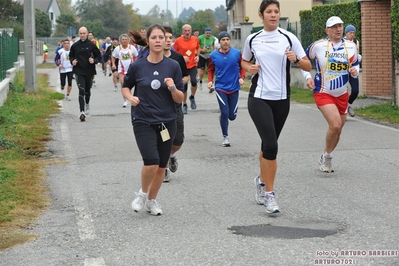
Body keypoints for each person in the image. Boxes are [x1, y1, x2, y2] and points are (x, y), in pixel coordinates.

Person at [241, 0, 312, 214]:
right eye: (269, 12)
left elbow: (308, 64)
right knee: (271, 145)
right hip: (259, 97)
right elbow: (243, 62)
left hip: (282, 99)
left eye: (276, 11)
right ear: (261, 15)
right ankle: (270, 195)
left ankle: (261, 181)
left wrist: (297, 60)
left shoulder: (289, 37)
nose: (273, 15)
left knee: (267, 144)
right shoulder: (253, 38)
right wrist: (250, 68)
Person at [122, 24, 184, 216]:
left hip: (167, 121)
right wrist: (130, 97)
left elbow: (180, 98)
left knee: (161, 167)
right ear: (147, 41)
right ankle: (141, 194)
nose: (158, 41)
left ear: (166, 41)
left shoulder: (173, 66)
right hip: (143, 120)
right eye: (154, 37)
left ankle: (151, 201)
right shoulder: (138, 66)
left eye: (161, 37)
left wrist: (173, 88)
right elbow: (126, 87)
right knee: (151, 161)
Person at [302, 16, 359, 173]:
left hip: (342, 94)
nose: (338, 29)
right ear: (327, 30)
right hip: (323, 92)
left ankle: (326, 154)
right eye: (334, 27)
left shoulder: (351, 46)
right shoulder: (318, 46)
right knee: (335, 125)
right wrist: (307, 77)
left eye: (340, 26)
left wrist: (355, 71)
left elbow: (355, 63)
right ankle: (328, 159)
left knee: (338, 130)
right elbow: (303, 60)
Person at [207, 31, 246, 147]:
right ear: (219, 42)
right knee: (224, 112)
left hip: (234, 87)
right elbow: (210, 69)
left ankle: (226, 116)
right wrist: (210, 81)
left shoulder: (237, 53)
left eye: (227, 39)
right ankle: (225, 137)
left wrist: (241, 77)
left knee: (232, 116)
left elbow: (243, 66)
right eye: (223, 40)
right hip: (221, 88)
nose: (225, 42)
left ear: (230, 41)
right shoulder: (213, 55)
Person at [162, 25, 190, 182]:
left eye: (169, 38)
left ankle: (172, 155)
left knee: (178, 140)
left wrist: (176, 83)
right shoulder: (153, 57)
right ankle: (164, 168)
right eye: (164, 37)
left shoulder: (177, 58)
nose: (167, 40)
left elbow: (186, 77)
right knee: (164, 138)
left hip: (176, 102)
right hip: (160, 105)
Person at [69, 26, 102, 122]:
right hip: (79, 71)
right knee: (81, 90)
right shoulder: (75, 46)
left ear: (87, 34)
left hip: (89, 71)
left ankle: (87, 103)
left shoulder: (91, 45)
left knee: (87, 90)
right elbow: (71, 56)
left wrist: (94, 60)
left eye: (84, 33)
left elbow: (99, 56)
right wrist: (72, 61)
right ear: (79, 34)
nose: (82, 35)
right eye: (80, 33)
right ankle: (82, 111)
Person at [173, 24, 200, 114]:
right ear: (182, 32)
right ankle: (184, 105)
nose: (187, 32)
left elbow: (198, 48)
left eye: (189, 31)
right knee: (183, 87)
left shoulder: (195, 39)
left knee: (194, 81)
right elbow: (174, 53)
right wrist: (181, 57)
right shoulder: (178, 41)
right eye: (185, 31)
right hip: (182, 66)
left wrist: (197, 56)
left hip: (192, 64)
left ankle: (192, 97)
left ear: (191, 31)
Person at [112, 33, 138, 107]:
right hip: (121, 70)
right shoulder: (118, 49)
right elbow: (113, 57)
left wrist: (136, 64)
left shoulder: (132, 48)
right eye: (123, 40)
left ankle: (132, 97)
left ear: (128, 40)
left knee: (132, 85)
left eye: (126, 39)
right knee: (123, 84)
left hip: (131, 69)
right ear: (120, 41)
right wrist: (113, 64)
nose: (124, 41)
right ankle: (125, 100)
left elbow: (136, 56)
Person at [344, 24, 361, 117]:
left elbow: (356, 54)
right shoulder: (342, 42)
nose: (352, 35)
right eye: (350, 33)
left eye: (354, 33)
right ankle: (343, 111)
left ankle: (348, 105)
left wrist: (358, 58)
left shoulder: (356, 42)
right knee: (344, 91)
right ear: (346, 33)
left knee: (355, 90)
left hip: (353, 69)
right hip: (343, 70)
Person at [197, 27, 216, 91]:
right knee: (202, 70)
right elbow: (197, 47)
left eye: (209, 33)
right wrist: (202, 50)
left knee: (210, 70)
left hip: (209, 56)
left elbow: (213, 45)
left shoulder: (213, 38)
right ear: (204, 32)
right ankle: (200, 81)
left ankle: (211, 84)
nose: (208, 34)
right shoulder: (200, 38)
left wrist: (214, 50)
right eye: (207, 33)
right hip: (202, 55)